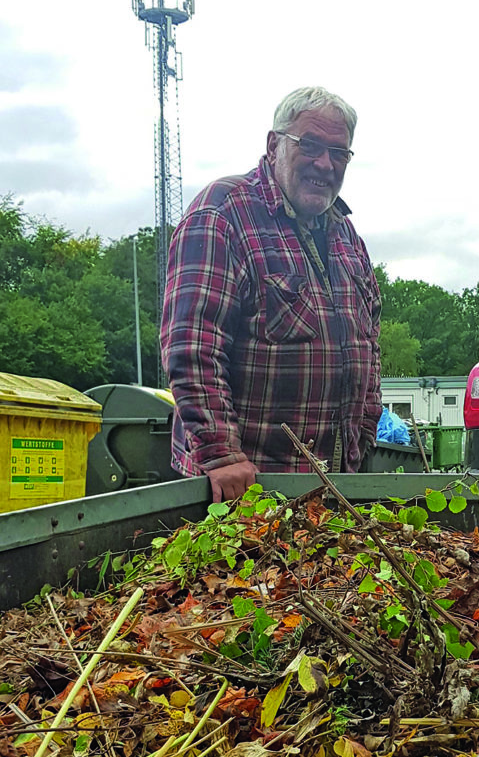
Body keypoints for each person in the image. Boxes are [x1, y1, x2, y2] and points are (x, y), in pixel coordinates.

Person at [160, 86, 382, 502]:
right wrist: (222, 455)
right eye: (311, 145)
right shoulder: (223, 213)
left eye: (339, 153)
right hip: (241, 492)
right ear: (274, 144)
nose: (325, 163)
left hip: (331, 488)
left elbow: (369, 343)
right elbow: (192, 349)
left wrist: (363, 436)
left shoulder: (346, 235)